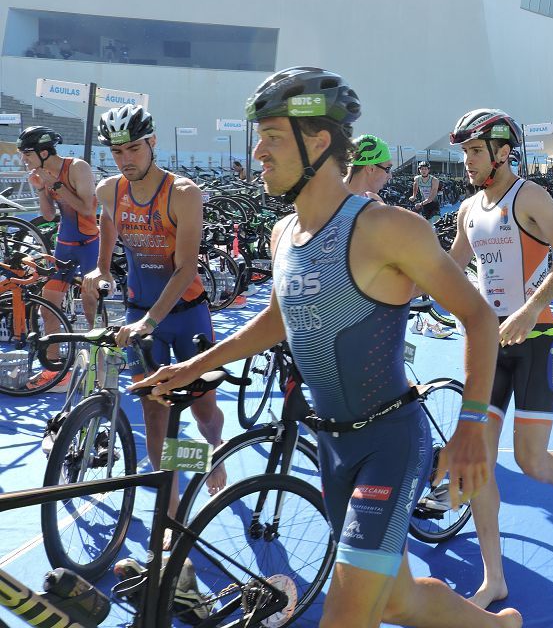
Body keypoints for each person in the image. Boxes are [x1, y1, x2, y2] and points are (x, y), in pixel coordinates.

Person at [131, 68, 520, 628]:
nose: (257, 150)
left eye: (272, 136)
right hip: (332, 446)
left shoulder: (387, 227)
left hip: (389, 442)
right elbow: (275, 320)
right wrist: (194, 365)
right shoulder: (283, 232)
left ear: (318, 142)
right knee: (396, 600)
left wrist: (470, 427)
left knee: (343, 618)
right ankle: (499, 626)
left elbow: (480, 318)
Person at [448, 109, 553, 609]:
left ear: (502, 152)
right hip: (489, 347)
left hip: (536, 341)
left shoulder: (528, 197)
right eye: (465, 153)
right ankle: (495, 578)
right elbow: (451, 266)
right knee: (479, 464)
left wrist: (531, 308)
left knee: (530, 461)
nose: (467, 163)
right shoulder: (468, 210)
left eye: (474, 152)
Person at [82, 104, 227, 533]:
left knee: (203, 409)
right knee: (155, 413)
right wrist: (102, 268)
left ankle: (214, 450)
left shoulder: (183, 192)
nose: (125, 159)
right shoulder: (110, 188)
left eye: (132, 148)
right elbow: (108, 224)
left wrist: (151, 321)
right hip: (138, 313)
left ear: (152, 143)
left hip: (186, 315)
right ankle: (173, 507)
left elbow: (185, 268)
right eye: (116, 151)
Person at [20, 127, 99, 385]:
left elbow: (87, 208)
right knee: (48, 305)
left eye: (27, 154)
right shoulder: (42, 173)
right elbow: (50, 215)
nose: (24, 159)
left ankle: (95, 350)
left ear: (44, 152)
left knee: (89, 300)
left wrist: (54, 183)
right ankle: (55, 369)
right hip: (64, 244)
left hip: (88, 243)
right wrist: (42, 189)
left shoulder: (78, 168)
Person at [345, 134, 393, 202]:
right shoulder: (374, 204)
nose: (390, 176)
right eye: (387, 169)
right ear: (370, 168)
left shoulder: (375, 200)